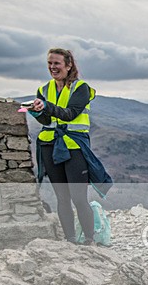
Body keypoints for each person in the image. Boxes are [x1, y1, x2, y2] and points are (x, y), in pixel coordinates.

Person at [28, 48, 111, 245]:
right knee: (62, 197)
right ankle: (70, 240)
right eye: (49, 63)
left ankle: (89, 241)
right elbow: (47, 120)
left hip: (73, 146)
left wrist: (46, 106)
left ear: (68, 65)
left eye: (56, 63)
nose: (52, 67)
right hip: (49, 145)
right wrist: (37, 111)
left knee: (78, 197)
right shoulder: (44, 89)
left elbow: (70, 114)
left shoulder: (81, 88)